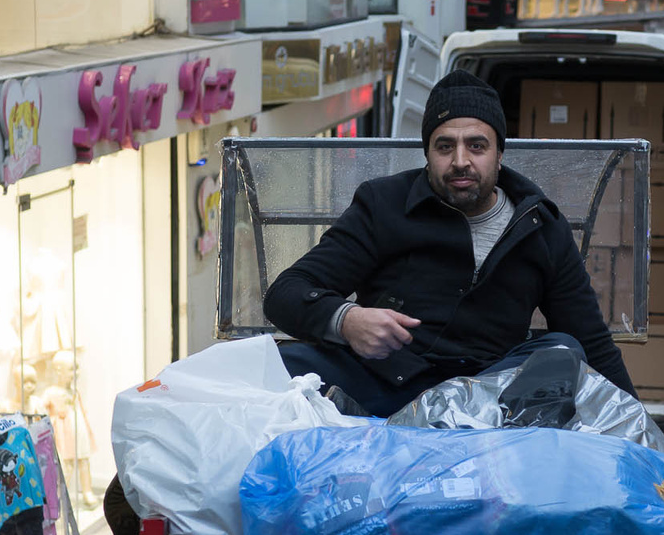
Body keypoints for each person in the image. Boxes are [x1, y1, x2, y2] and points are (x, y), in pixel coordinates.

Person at [263, 71, 638, 417]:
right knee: (279, 364)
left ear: (499, 154)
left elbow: (592, 342)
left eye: (477, 146)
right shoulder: (383, 205)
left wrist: (641, 437)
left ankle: (415, 426)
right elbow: (286, 293)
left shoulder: (541, 226)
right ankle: (417, 424)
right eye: (445, 147)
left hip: (487, 398)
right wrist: (347, 321)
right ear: (427, 153)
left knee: (563, 352)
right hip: (385, 383)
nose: (461, 161)